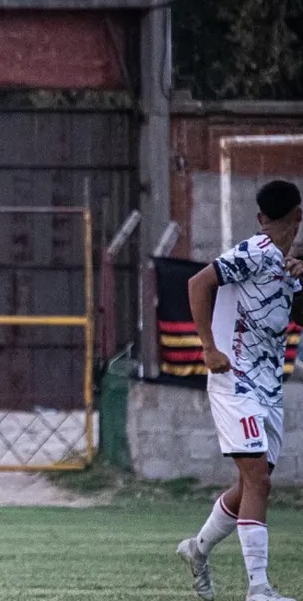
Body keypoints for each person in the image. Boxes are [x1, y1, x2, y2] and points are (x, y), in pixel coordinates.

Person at [177, 179, 303, 601]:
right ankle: (260, 590)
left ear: (264, 216)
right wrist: (208, 348)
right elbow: (198, 283)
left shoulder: (287, 265)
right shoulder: (255, 252)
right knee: (259, 483)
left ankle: (198, 549)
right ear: (298, 217)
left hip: (269, 386)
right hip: (236, 381)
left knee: (254, 482)